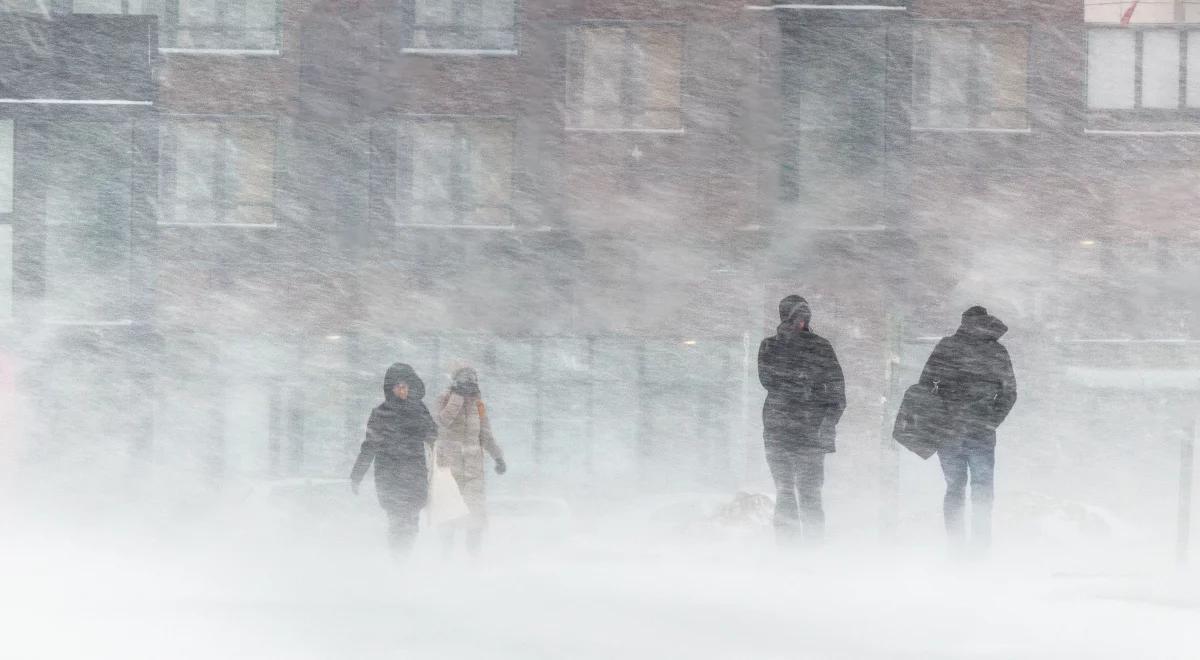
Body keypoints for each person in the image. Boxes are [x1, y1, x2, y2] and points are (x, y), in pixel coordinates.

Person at [919, 305, 1017, 555]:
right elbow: (1009, 393)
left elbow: (924, 386)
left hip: (949, 431)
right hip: (980, 432)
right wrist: (990, 419)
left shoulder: (947, 347)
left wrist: (940, 414)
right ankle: (980, 545)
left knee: (955, 487)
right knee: (982, 489)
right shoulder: (996, 351)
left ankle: (956, 546)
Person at [758, 295, 846, 545]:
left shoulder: (820, 346)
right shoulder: (771, 346)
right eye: (796, 316)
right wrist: (806, 385)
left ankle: (813, 550)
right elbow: (769, 380)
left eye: (804, 316)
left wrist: (828, 421)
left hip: (808, 432)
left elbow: (837, 391)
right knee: (786, 492)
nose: (801, 322)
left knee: (809, 494)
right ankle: (789, 550)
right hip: (780, 431)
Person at [350, 363, 437, 558]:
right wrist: (357, 475)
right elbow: (370, 445)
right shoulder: (380, 413)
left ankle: (404, 558)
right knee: (397, 521)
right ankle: (398, 559)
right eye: (398, 387)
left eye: (405, 386)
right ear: (391, 389)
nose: (402, 390)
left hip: (414, 475)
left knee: (412, 522)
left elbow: (433, 436)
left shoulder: (419, 410)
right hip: (390, 476)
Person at [434, 366, 506, 557]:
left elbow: (486, 433)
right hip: (450, 467)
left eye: (472, 380)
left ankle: (474, 557)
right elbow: (442, 422)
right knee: (449, 514)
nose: (470, 383)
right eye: (466, 379)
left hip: (474, 470)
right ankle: (445, 555)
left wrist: (498, 456)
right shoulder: (445, 398)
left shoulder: (478, 404)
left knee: (476, 516)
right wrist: (457, 397)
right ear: (456, 381)